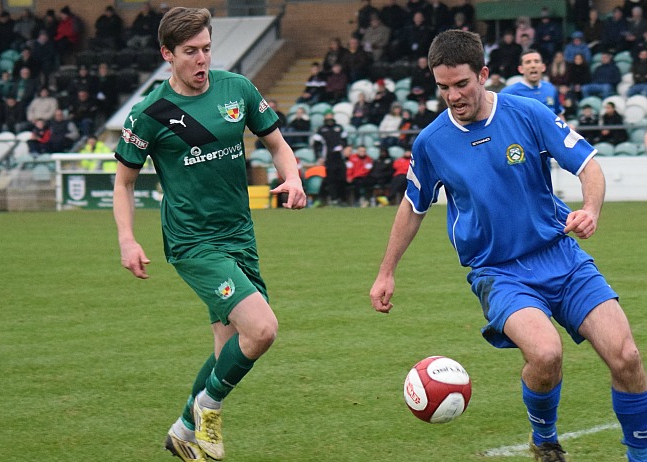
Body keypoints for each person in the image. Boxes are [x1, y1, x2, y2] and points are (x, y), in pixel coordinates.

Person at [369, 29, 647, 462]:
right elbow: (413, 206)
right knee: (545, 353)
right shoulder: (431, 142)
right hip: (498, 272)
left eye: (461, 84)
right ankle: (545, 439)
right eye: (443, 87)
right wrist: (386, 272)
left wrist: (590, 208)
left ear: (483, 74)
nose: (453, 95)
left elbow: (589, 165)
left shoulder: (528, 113)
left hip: (561, 257)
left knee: (627, 357)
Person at [112, 8, 305, 462]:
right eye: (190, 52)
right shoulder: (149, 114)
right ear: (167, 55)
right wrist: (127, 238)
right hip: (192, 243)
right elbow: (123, 183)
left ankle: (183, 428)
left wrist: (292, 177)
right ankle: (207, 407)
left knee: (229, 347)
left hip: (239, 235)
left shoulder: (236, 88)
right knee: (261, 329)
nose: (202, 60)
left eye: (206, 49)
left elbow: (276, 143)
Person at [501, 49, 564, 118]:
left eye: (536, 61)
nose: (533, 65)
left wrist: (567, 128)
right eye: (528, 62)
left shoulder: (550, 88)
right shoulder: (508, 93)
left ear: (543, 67)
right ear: (520, 69)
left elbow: (559, 114)